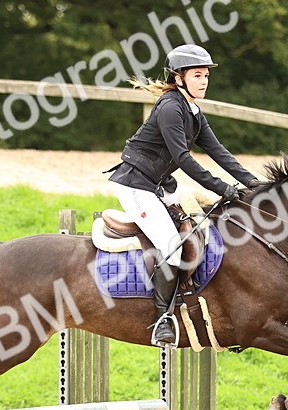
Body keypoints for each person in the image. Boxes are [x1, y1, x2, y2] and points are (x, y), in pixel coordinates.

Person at [106, 44, 261, 347]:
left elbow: (218, 151)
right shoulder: (170, 108)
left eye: (206, 75)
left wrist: (254, 183)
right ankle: (162, 319)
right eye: (197, 75)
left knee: (202, 230)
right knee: (171, 245)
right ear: (179, 79)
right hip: (135, 186)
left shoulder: (192, 111)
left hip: (159, 185)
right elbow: (185, 159)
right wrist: (223, 189)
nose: (204, 81)